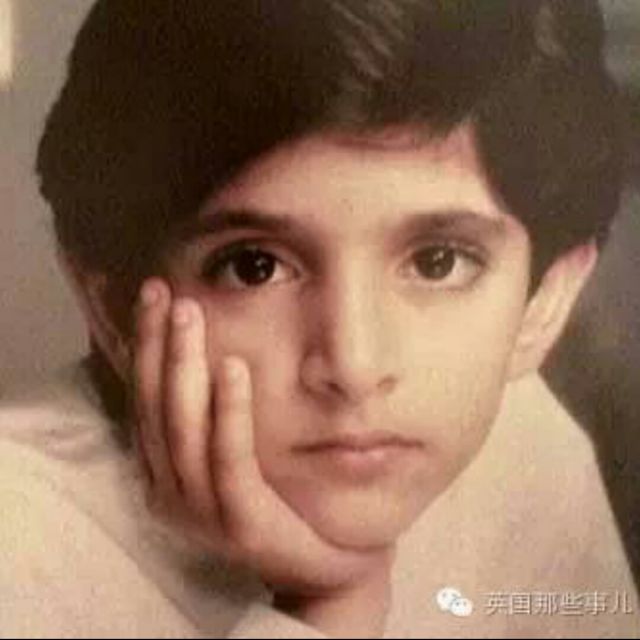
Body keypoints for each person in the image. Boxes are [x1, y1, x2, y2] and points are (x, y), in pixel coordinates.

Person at [1, 0, 638, 637]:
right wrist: (332, 609)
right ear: (113, 309)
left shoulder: (528, 453)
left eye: (437, 262)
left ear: (543, 302)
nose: (354, 367)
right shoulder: (21, 544)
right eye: (254, 267)